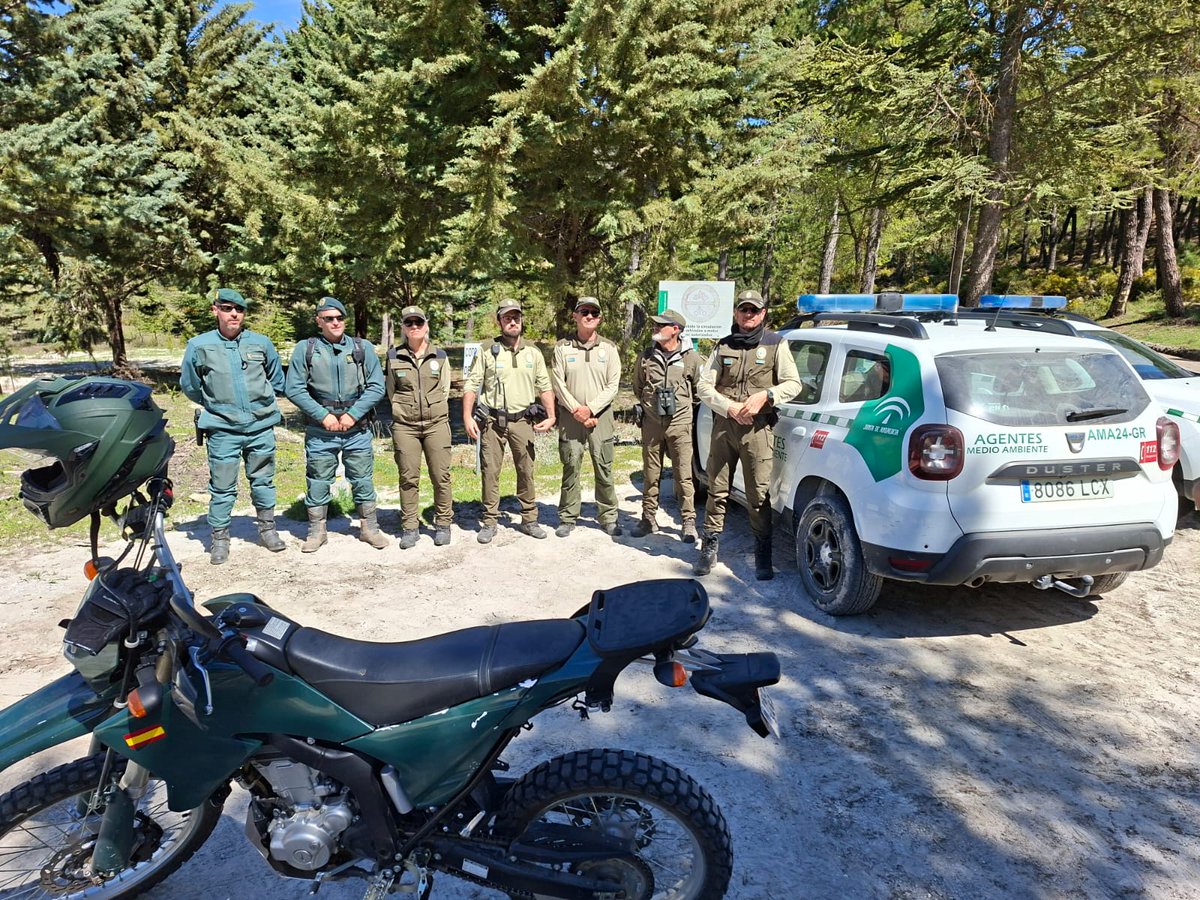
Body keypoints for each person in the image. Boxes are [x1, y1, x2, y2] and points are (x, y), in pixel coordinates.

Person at [695, 289, 802, 580]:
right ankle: (709, 547)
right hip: (724, 427)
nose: (748, 314)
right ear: (736, 313)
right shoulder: (723, 346)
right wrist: (728, 407)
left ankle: (762, 553)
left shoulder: (777, 344)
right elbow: (704, 386)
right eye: (744, 309)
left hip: (757, 429)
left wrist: (766, 395)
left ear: (763, 313)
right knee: (716, 490)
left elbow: (794, 384)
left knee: (758, 494)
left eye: (754, 310)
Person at [180, 287, 286, 565]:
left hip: (260, 427)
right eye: (227, 309)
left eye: (238, 309)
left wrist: (260, 405)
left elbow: (276, 379)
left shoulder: (261, 343)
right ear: (216, 310)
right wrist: (218, 405)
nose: (234, 314)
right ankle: (219, 539)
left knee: (263, 480)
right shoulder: (199, 346)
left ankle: (267, 529)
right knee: (222, 486)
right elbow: (191, 386)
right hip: (222, 429)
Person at [284, 296, 389, 553]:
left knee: (363, 478)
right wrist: (323, 415)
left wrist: (353, 414)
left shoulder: (361, 348)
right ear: (318, 321)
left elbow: (377, 386)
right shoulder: (306, 349)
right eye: (328, 318)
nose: (335, 322)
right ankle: (316, 531)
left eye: (339, 318)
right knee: (318, 480)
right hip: (321, 429)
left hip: (357, 428)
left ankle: (369, 528)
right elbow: (294, 388)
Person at [462, 300, 557, 543]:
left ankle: (529, 519)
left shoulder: (533, 353)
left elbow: (544, 385)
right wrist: (466, 415)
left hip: (523, 421)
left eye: (516, 317)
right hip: (492, 421)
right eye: (507, 318)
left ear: (521, 320)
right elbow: (472, 384)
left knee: (526, 471)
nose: (512, 322)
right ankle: (490, 521)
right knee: (490, 471)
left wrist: (552, 415)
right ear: (499, 321)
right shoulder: (487, 350)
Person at [551, 297, 622, 538]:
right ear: (575, 316)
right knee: (571, 465)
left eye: (594, 312)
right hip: (571, 418)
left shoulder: (610, 348)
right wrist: (578, 411)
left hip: (601, 417)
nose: (589, 316)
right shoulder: (562, 348)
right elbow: (558, 384)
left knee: (603, 466)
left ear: (599, 318)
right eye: (584, 312)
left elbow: (613, 385)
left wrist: (590, 409)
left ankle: (608, 516)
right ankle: (568, 517)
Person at [632, 308, 703, 542]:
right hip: (652, 424)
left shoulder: (691, 358)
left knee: (684, 475)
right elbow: (638, 387)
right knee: (651, 474)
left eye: (660, 325)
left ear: (675, 330)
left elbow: (698, 392)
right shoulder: (646, 356)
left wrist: (682, 410)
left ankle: (688, 522)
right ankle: (648, 518)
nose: (654, 328)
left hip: (680, 424)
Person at [386, 305, 453, 549]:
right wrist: (403, 411)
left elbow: (445, 389)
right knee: (408, 477)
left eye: (419, 322)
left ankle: (443, 524)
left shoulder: (441, 355)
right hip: (406, 427)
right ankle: (410, 527)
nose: (414, 327)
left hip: (436, 424)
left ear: (426, 326)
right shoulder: (393, 356)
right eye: (409, 323)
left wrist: (433, 408)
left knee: (441, 476)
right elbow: (391, 391)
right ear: (403, 328)